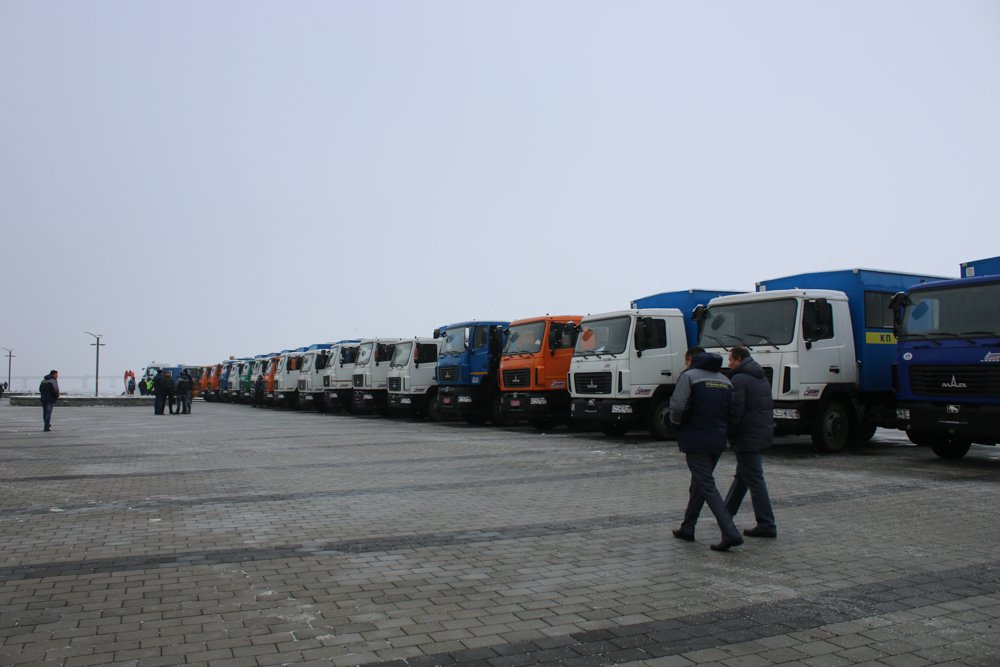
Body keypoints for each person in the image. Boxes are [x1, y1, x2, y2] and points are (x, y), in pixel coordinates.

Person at [669, 347, 743, 551]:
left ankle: (730, 532)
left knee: (707, 485)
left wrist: (676, 424)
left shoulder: (689, 377)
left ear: (692, 360)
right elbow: (733, 411)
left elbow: (677, 406)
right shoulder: (725, 380)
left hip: (695, 438)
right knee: (699, 484)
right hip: (717, 440)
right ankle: (688, 527)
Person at [724, 346, 777, 538]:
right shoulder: (759, 376)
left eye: (730, 359)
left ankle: (767, 523)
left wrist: (728, 431)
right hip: (760, 432)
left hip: (747, 436)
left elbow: (736, 411)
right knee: (743, 477)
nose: (728, 363)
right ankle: (726, 515)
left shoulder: (739, 379)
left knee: (754, 479)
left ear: (738, 359)